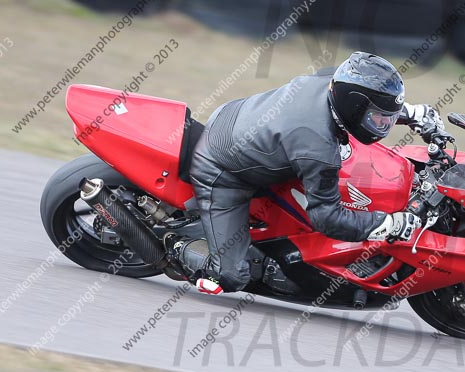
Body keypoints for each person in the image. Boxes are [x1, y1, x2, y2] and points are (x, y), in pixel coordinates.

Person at [168, 52, 445, 295]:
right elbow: (327, 218)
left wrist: (413, 113)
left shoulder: (333, 80)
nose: (384, 124)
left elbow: (367, 93)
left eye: (388, 117)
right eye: (379, 118)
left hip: (237, 118)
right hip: (222, 171)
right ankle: (176, 244)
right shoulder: (316, 148)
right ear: (351, 106)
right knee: (230, 276)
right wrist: (390, 225)